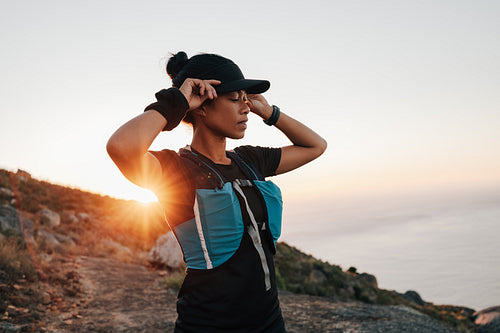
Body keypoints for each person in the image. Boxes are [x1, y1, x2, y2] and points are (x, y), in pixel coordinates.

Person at [106, 51, 327, 333]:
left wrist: (270, 113)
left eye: (246, 99)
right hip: (207, 325)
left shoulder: (250, 160)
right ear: (202, 106)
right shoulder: (176, 170)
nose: (245, 107)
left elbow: (315, 146)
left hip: (269, 322)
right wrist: (177, 102)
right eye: (235, 99)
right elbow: (120, 148)